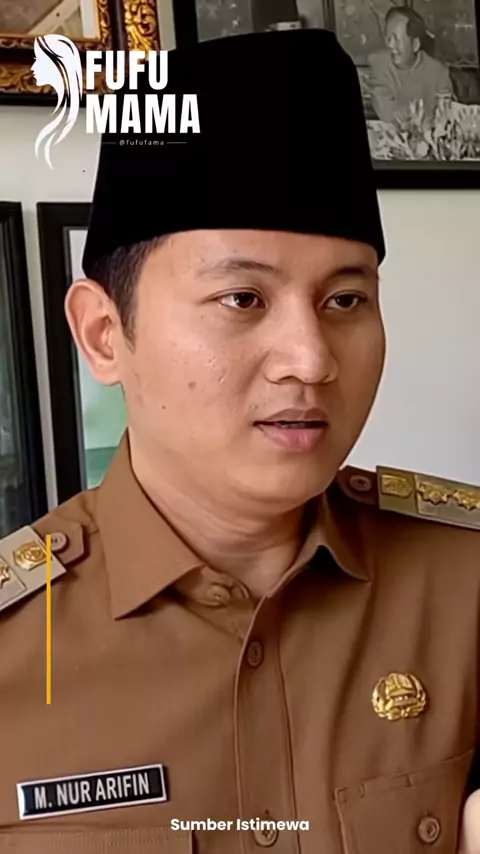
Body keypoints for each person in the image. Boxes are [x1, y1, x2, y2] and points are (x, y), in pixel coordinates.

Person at [0, 27, 479, 854]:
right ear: (105, 334)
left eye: (345, 301)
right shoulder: (16, 649)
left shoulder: (465, 589)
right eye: (242, 300)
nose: (311, 361)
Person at [368, 5, 454, 124]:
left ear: (415, 44)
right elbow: (387, 113)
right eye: (388, 38)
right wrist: (422, 112)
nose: (390, 45)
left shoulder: (439, 73)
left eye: (396, 39)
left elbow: (447, 117)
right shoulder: (379, 63)